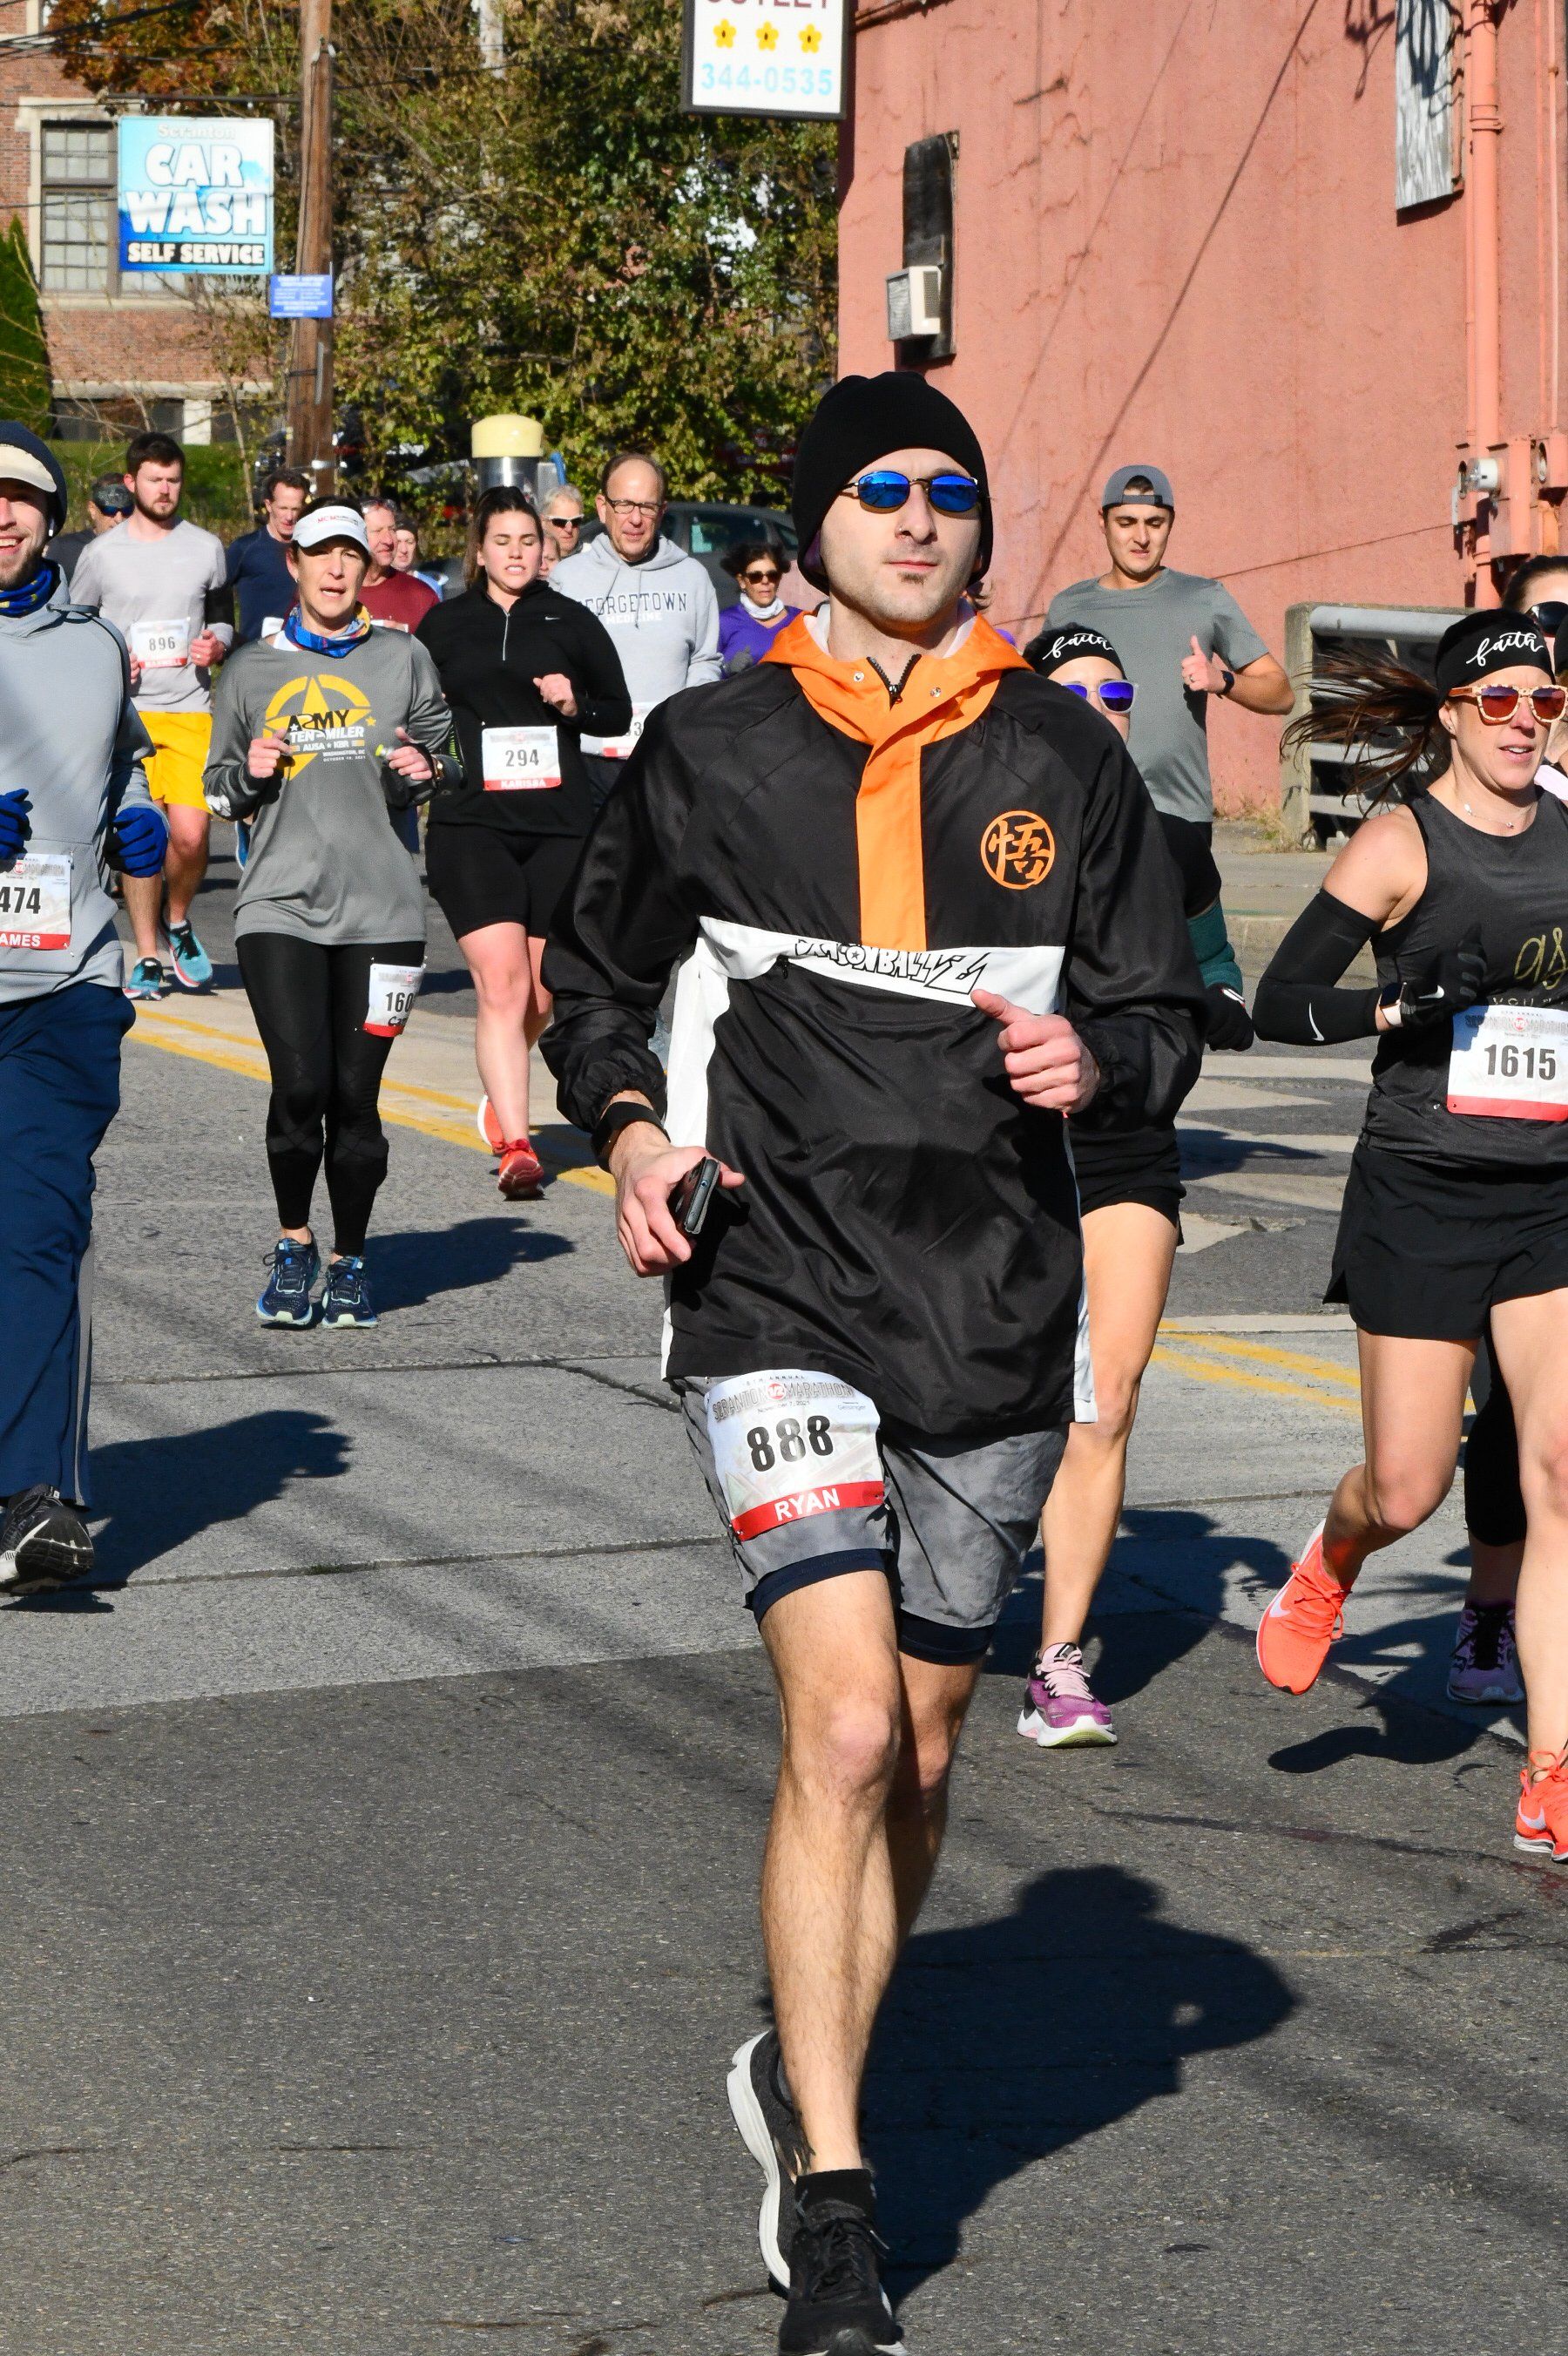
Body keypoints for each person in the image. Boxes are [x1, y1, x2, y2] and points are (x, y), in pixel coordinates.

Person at [542, 370, 1203, 2354]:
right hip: (773, 1281)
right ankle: (837, 2192)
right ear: (816, 526)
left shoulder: (1065, 755)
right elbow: (594, 982)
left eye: (949, 491)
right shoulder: (714, 745)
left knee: (918, 1746)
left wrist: (1105, 1055)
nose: (918, 517)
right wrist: (633, 1138)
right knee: (838, 1729)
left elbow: (1168, 1007)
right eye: (880, 490)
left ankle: (797, 2053)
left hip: (989, 1298)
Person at [1250, 612, 1568, 1858]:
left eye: (1546, 701)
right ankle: (1335, 1557)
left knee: (1558, 1471)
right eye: (1499, 702)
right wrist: (1397, 1004)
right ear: (1451, 713)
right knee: (1409, 1484)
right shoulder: (1401, 840)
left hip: (1552, 1194)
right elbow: (1280, 1003)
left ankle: (1551, 1767)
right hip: (1425, 1192)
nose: (1525, 722)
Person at [1015, 624, 1249, 1749]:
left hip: (1124, 1142)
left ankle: (1056, 1662)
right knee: (972, 1393)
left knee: (1104, 1398)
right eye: (1073, 693)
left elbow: (1215, 980)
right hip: (989, 1147)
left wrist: (1216, 1005)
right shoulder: (975, 831)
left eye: (1115, 695)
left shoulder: (1172, 846)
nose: (1101, 711)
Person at [204, 499, 458, 1330]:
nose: (337, 568)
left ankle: (350, 1259)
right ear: (295, 563)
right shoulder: (250, 669)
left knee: (355, 1096)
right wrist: (250, 774)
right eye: (321, 554)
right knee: (300, 1085)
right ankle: (293, 1243)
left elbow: (449, 754)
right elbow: (217, 790)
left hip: (384, 912)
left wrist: (427, 769)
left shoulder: (403, 657)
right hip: (278, 905)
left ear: (368, 566)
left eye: (351, 553)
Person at [0, 420, 168, 1592]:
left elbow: (126, 770)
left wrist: (138, 821)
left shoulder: (95, 647)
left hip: (63, 986)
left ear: (51, 519)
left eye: (19, 497)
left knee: (41, 1230)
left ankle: (33, 1499)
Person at [418, 487, 631, 1200]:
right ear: (479, 551)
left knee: (542, 990)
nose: (516, 553)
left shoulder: (570, 620)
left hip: (558, 824)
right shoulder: (445, 624)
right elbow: (413, 709)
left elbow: (616, 711)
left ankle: (500, 1075)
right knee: (502, 985)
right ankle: (517, 1145)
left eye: (528, 541)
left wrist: (574, 704)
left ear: (546, 550)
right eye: (502, 541)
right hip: (471, 823)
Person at [1047, 464, 1290, 1002]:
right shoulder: (1069, 608)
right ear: (1103, 523)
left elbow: (1281, 692)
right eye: (1126, 522)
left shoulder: (1203, 598)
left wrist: (1222, 681)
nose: (1141, 536)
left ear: (1170, 524)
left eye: (1154, 523)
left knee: (1175, 972)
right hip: (1088, 811)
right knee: (1090, 971)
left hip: (1179, 817)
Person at [71, 430, 232, 999]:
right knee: (141, 834)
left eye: (173, 480)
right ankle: (145, 954)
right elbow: (77, 623)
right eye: (155, 479)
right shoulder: (101, 555)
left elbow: (221, 614)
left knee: (190, 836)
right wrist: (111, 657)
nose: (165, 489)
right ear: (131, 482)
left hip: (190, 710)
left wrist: (217, 643)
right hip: (128, 713)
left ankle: (177, 919)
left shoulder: (206, 547)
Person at [551, 451, 720, 804]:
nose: (635, 519)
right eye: (625, 504)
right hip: (589, 764)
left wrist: (684, 721)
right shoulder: (566, 580)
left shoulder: (692, 577)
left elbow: (705, 660)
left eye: (647, 506)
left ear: (662, 511)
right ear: (603, 508)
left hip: (665, 763)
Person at [226, 466, 308, 646]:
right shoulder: (245, 549)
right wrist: (225, 640)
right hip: (255, 652)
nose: (289, 517)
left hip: (301, 651)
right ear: (268, 505)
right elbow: (216, 596)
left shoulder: (311, 550)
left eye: (295, 509)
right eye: (283, 508)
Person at [358, 495, 439, 633]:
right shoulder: (334, 591)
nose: (389, 540)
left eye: (392, 530)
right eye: (377, 531)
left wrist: (404, 638)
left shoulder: (421, 596)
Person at [718, 539, 800, 670]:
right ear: (742, 581)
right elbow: (706, 668)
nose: (765, 581)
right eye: (755, 576)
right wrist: (727, 669)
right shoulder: (723, 622)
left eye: (772, 575)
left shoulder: (800, 620)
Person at [48, 473, 132, 584]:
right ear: (92, 509)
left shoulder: (143, 550)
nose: (119, 519)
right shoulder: (64, 549)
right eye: (110, 510)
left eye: (126, 511)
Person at [392, 513, 443, 596]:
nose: (404, 550)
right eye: (398, 542)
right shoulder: (375, 585)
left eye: (409, 542)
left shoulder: (430, 587)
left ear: (416, 545)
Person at [541, 483, 585, 564]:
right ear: (543, 521)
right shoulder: (533, 562)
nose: (569, 529)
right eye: (560, 522)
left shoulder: (594, 558)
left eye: (575, 521)